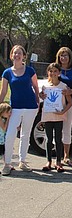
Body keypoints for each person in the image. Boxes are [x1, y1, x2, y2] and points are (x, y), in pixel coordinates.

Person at [0, 45, 39, 176]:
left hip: (30, 106)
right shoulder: (7, 72)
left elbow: (35, 86)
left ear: (23, 56)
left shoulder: (30, 71)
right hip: (15, 108)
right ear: (11, 55)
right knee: (10, 134)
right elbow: (4, 91)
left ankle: (22, 161)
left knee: (25, 134)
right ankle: (7, 163)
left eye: (19, 53)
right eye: (15, 53)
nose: (17, 55)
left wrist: (38, 99)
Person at [41, 63, 72, 173]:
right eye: (51, 71)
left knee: (58, 139)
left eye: (55, 71)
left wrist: (63, 111)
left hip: (59, 117)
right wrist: (41, 95)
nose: (53, 73)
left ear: (59, 73)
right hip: (48, 116)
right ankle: (49, 161)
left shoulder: (63, 86)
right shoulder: (45, 87)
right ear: (48, 72)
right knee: (49, 139)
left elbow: (70, 102)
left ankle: (58, 162)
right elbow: (41, 98)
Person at [55, 47, 72, 166]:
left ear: (70, 57)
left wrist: (71, 92)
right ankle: (57, 156)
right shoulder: (56, 69)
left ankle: (66, 155)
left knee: (67, 129)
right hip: (56, 103)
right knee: (57, 130)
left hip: (71, 104)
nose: (63, 58)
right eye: (61, 55)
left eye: (65, 55)